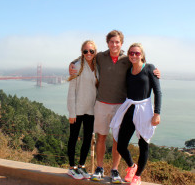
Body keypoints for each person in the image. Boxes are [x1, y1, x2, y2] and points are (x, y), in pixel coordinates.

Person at [69, 30, 160, 183]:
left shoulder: (127, 59)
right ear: (107, 43)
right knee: (101, 137)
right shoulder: (101, 57)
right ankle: (99, 168)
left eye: (117, 42)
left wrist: (155, 71)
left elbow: (142, 64)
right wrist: (72, 63)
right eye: (111, 41)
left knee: (117, 139)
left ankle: (115, 170)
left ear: (121, 43)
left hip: (120, 106)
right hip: (102, 104)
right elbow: (87, 56)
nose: (114, 44)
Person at [110, 43, 162, 185]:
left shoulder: (150, 69)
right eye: (131, 53)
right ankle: (132, 166)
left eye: (137, 53)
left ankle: (137, 176)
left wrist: (157, 113)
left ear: (142, 55)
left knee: (143, 143)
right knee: (121, 145)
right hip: (130, 107)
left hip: (144, 109)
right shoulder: (129, 70)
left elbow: (158, 91)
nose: (133, 55)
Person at [67, 40, 98, 180]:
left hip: (91, 110)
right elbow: (71, 91)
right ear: (82, 52)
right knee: (73, 138)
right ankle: (72, 167)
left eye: (91, 51)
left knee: (87, 139)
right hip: (77, 110)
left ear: (95, 52)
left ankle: (81, 165)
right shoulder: (77, 67)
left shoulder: (98, 67)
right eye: (85, 51)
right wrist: (71, 112)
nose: (88, 53)